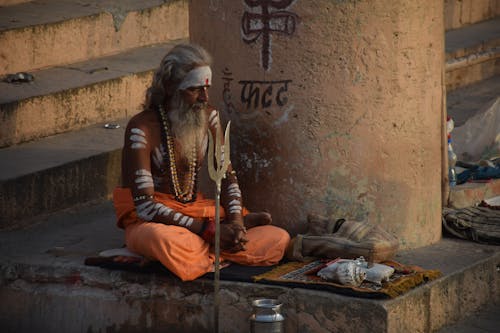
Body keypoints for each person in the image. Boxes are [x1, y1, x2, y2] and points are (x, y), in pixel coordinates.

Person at [112, 43, 290, 281]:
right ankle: (218, 249)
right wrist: (209, 230)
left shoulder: (210, 116)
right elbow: (145, 207)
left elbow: (227, 177)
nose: (204, 98)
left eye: (206, 89)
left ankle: (213, 248)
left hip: (199, 217)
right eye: (195, 90)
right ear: (170, 88)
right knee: (162, 240)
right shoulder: (141, 128)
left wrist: (235, 223)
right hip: (158, 222)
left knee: (277, 238)